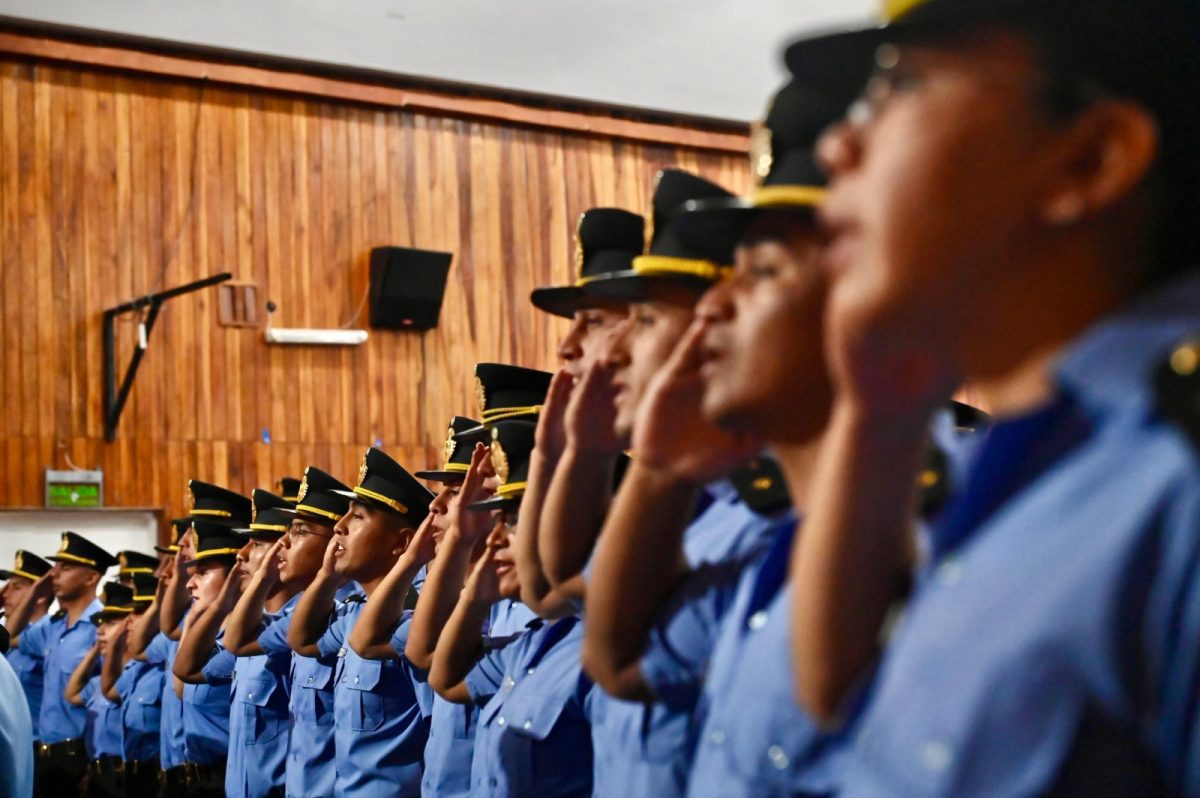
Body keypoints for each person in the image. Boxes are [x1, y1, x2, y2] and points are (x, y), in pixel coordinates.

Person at [782, 0, 1200, 793]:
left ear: (1091, 162)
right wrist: (877, 413)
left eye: (898, 88)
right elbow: (835, 700)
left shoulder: (1175, 472)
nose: (839, 144)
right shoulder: (1046, 447)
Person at [428, 420, 596, 797]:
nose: (497, 537)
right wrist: (475, 595)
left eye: (515, 521)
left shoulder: (601, 649)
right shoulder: (537, 642)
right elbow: (446, 679)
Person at [288, 448, 435, 797]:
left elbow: (436, 734)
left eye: (358, 517)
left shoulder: (415, 613)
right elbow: (303, 640)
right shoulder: (354, 612)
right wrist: (326, 575)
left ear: (401, 543)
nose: (339, 526)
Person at [226, 466, 353, 798]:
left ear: (337, 540)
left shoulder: (356, 613)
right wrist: (263, 578)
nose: (281, 545)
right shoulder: (299, 617)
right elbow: (236, 641)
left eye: (299, 531)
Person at [12, 532, 117, 796]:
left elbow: (111, 696)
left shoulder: (103, 626)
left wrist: (94, 764)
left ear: (92, 577)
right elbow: (9, 636)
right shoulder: (54, 625)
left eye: (66, 568)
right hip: (45, 755)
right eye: (55, 567)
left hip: (79, 756)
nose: (55, 574)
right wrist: (35, 591)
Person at [172, 522, 245, 797]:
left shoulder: (241, 640)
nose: (191, 583)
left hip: (224, 777)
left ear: (233, 578)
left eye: (202, 574)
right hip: (197, 780)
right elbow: (180, 687)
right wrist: (193, 619)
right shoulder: (210, 634)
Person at [66, 582, 134, 798]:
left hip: (124, 776)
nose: (101, 631)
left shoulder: (136, 675)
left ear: (129, 626)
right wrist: (94, 652)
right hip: (98, 776)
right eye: (101, 625)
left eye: (111, 623)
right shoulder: (97, 682)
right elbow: (71, 694)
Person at [108, 573, 163, 797]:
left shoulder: (164, 668)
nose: (129, 620)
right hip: (133, 775)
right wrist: (113, 645)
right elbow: (109, 690)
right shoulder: (138, 668)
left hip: (155, 775)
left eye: (140, 612)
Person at [1, 550, 53, 740]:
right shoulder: (7, 634)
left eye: (17, 587)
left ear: (39, 595)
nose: (6, 592)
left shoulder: (49, 631)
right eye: (7, 585)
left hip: (35, 744)